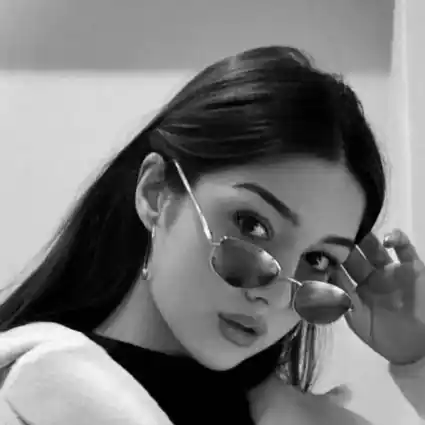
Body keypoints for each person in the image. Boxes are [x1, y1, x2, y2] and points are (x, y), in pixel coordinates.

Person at [0, 45, 424, 425]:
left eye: (318, 260)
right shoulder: (18, 398)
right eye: (252, 225)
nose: (277, 295)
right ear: (155, 193)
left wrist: (418, 359)